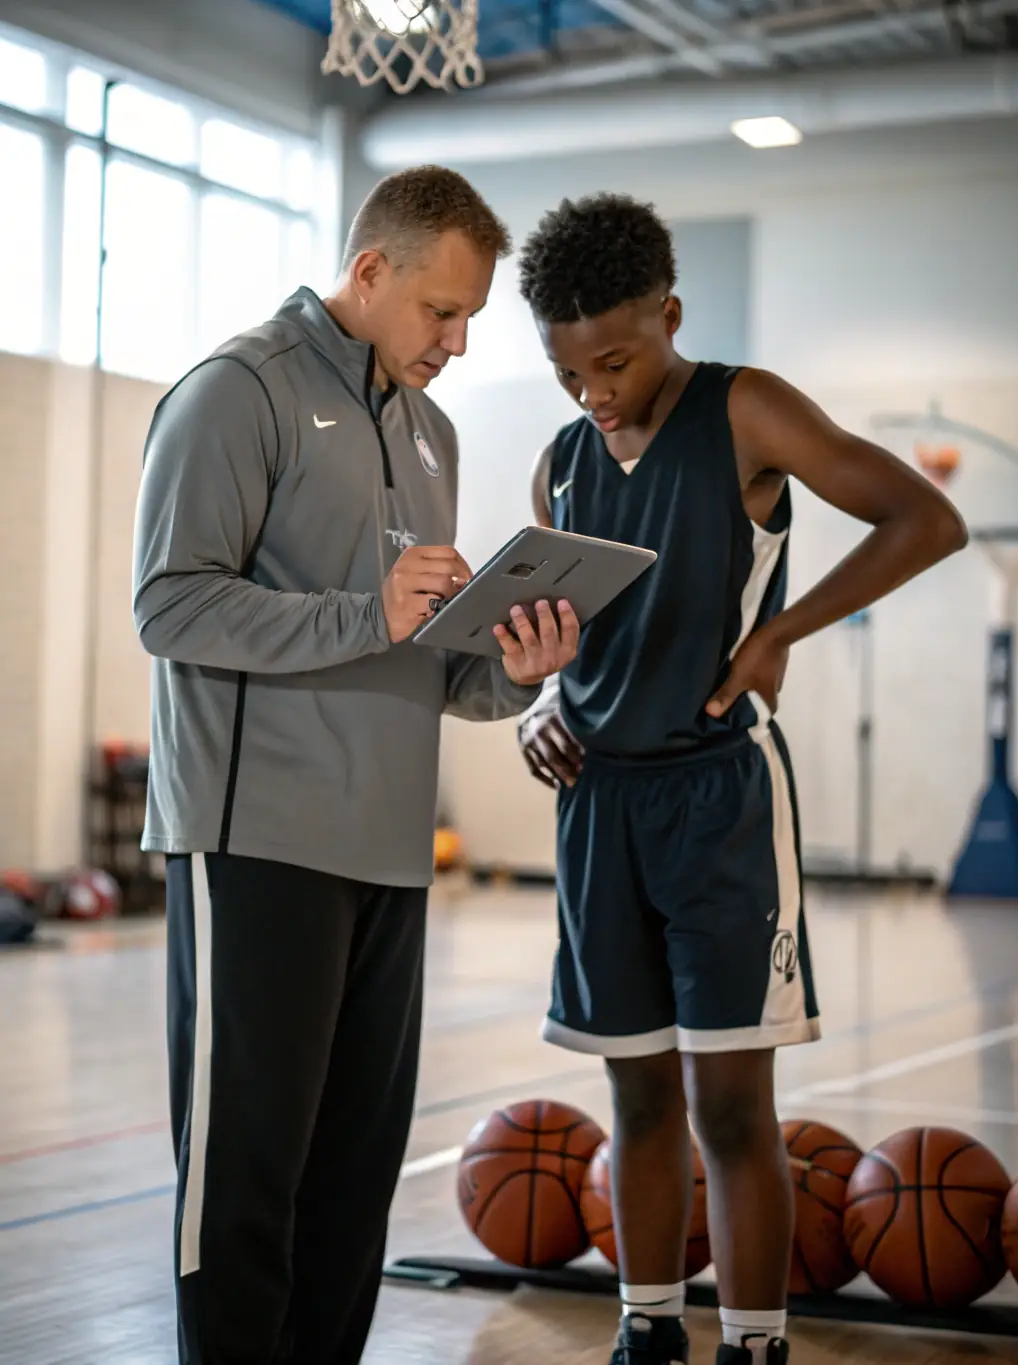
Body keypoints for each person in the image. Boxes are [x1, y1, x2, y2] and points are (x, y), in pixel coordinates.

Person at [132, 164, 579, 1365]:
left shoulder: (428, 433)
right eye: (442, 310)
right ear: (370, 270)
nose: (458, 340)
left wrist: (520, 665)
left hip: (388, 855)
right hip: (256, 838)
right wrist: (364, 615)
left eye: (473, 316)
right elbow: (170, 608)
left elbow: (428, 661)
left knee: (349, 1189)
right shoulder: (237, 392)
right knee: (246, 1184)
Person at [514, 193, 966, 1365]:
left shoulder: (744, 407)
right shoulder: (558, 466)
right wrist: (541, 706)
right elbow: (561, 647)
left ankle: (754, 1345)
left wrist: (783, 634)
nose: (594, 393)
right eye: (569, 374)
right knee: (638, 1101)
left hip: (717, 797)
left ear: (669, 313)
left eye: (613, 361)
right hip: (597, 809)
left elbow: (925, 519)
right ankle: (647, 1331)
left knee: (727, 1104)